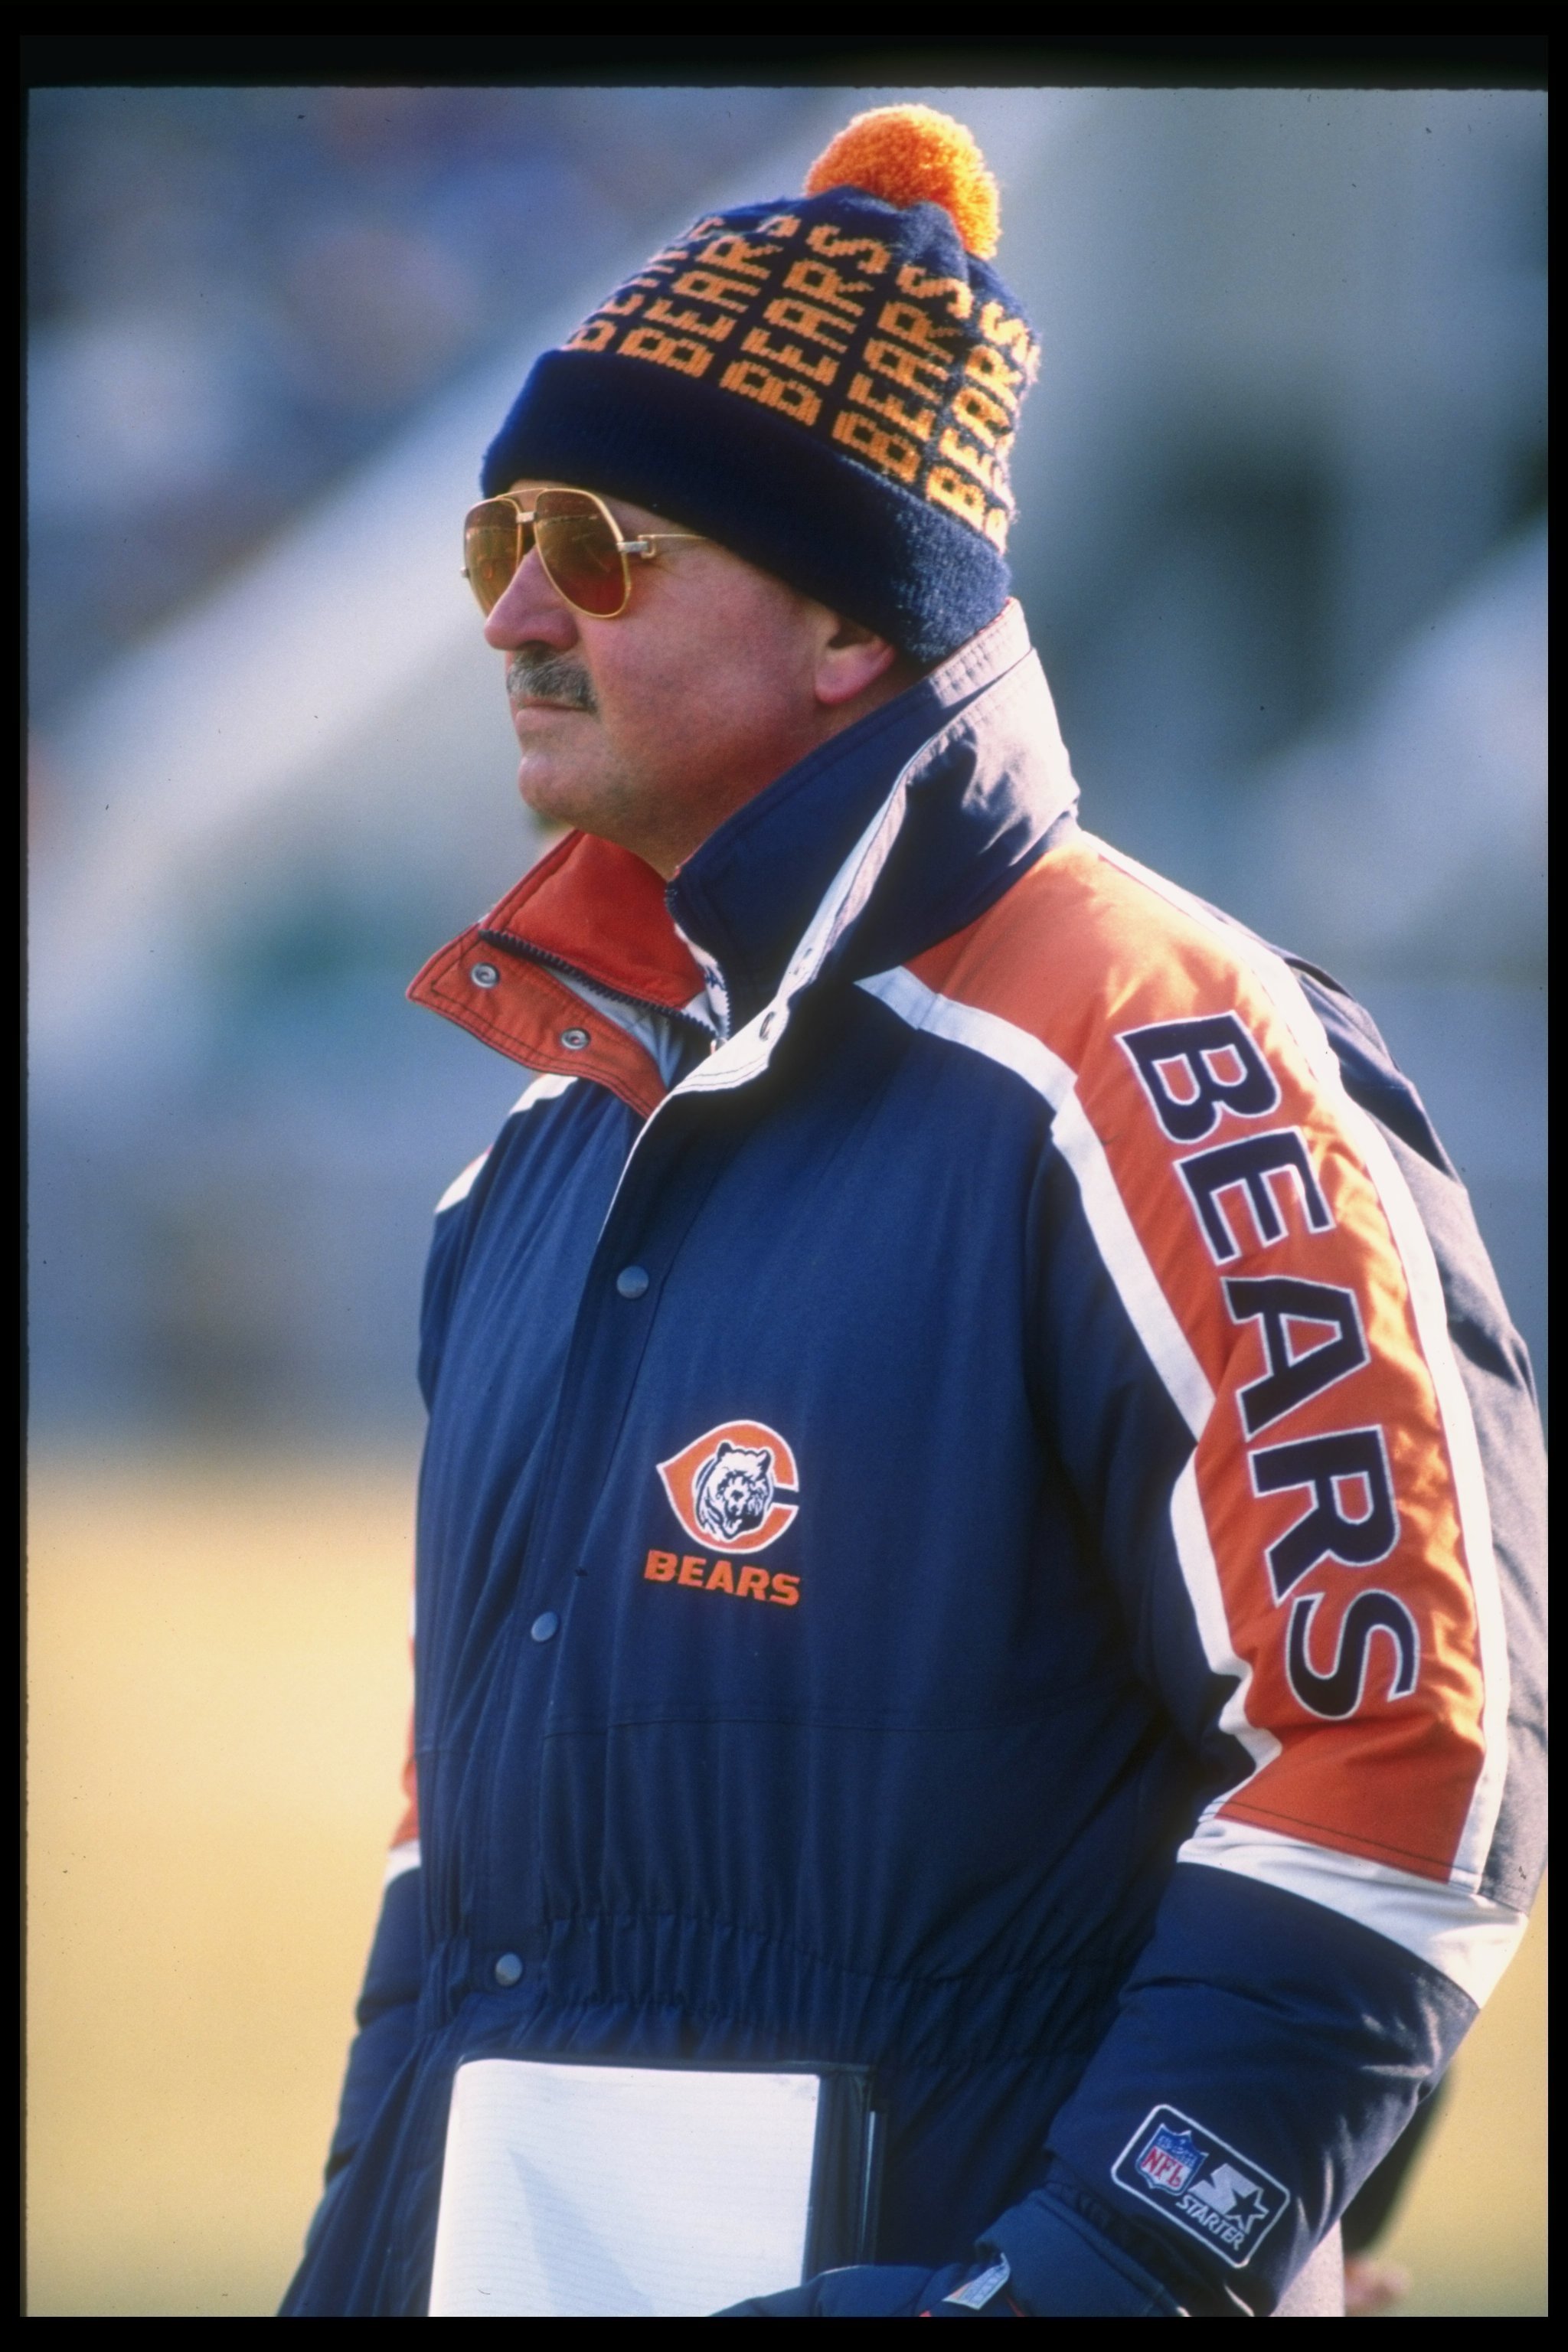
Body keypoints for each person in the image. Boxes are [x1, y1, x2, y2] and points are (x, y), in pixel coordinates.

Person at [281, 106, 1547, 2319]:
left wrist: (1093, 2280)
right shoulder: (539, 1148)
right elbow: (444, 1875)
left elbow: (1407, 1756)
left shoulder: (1170, 1048)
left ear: (854, 621)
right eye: (499, 526)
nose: (509, 606)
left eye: (598, 537)